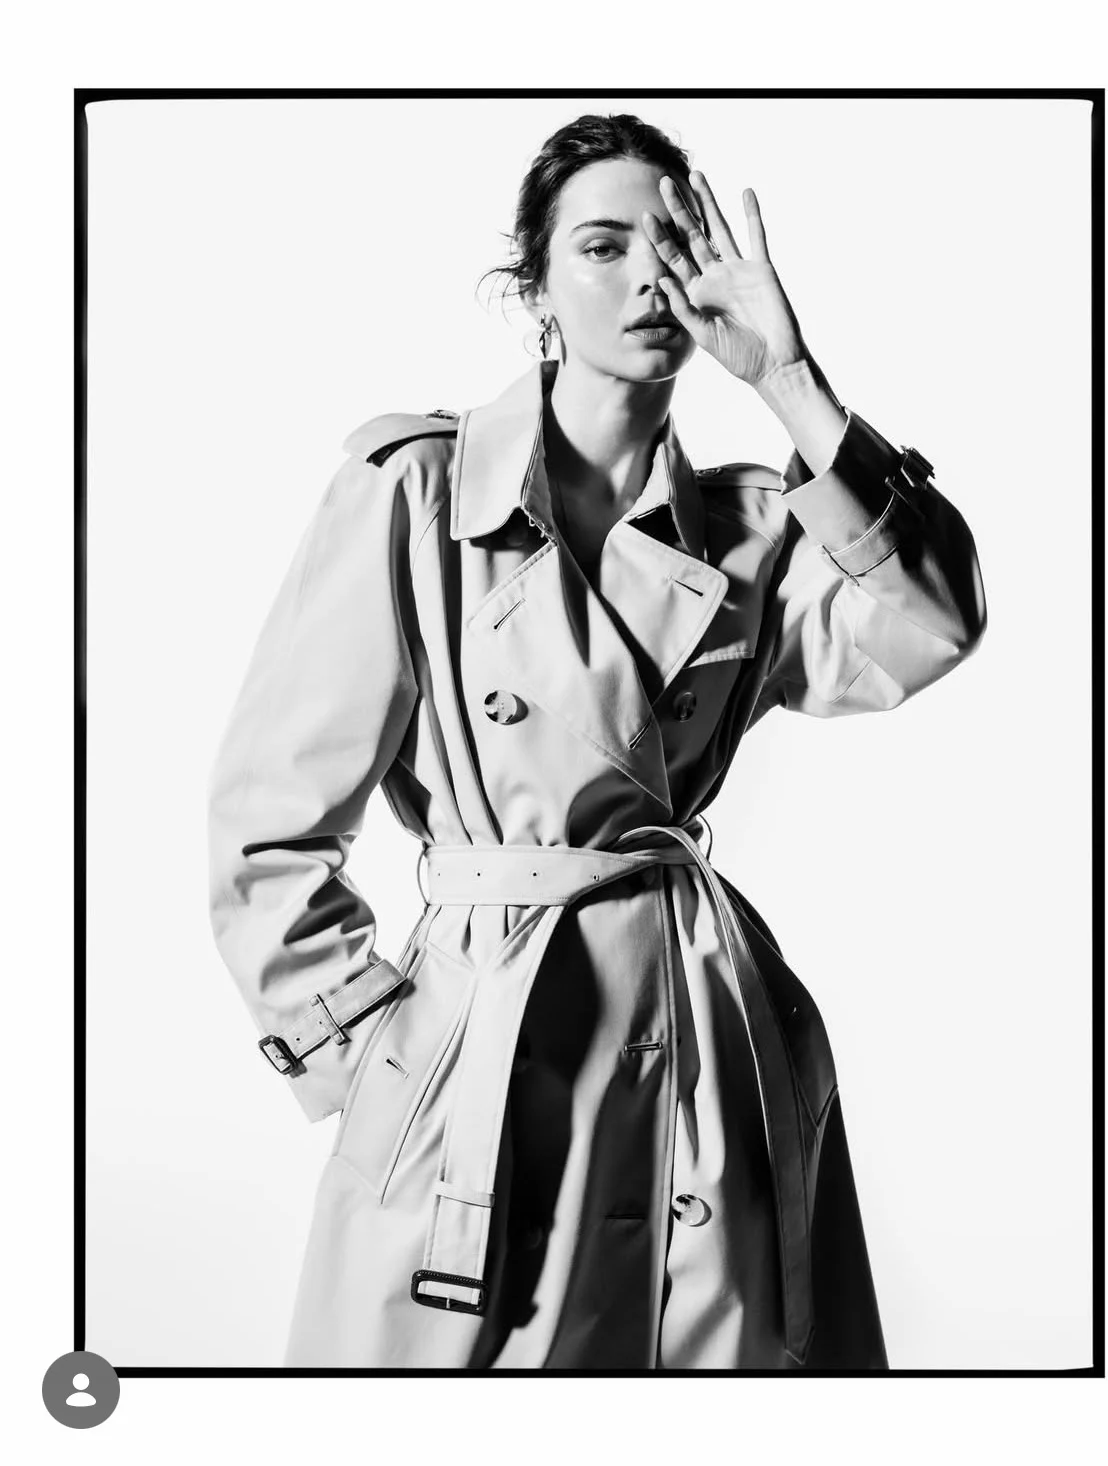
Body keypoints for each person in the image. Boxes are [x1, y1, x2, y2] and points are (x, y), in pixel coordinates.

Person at [206, 111, 986, 1371]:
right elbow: (267, 825)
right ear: (535, 290)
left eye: (672, 245)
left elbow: (935, 624)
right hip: (483, 1060)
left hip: (700, 1049)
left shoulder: (757, 529)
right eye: (603, 245)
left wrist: (791, 379)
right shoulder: (419, 493)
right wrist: (385, 1065)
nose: (646, 278)